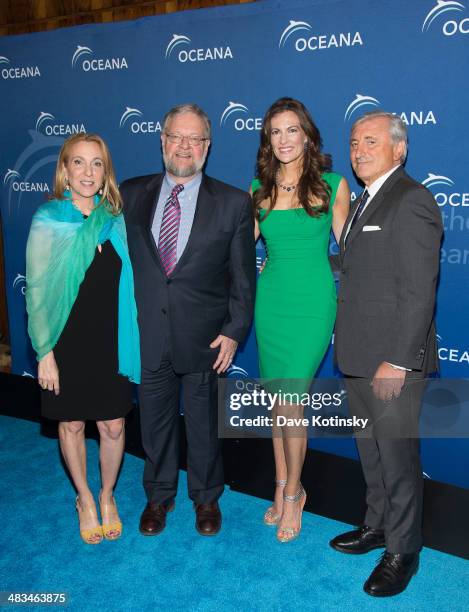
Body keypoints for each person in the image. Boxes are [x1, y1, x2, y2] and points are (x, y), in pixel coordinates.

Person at [120, 103, 256, 537]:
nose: (185, 147)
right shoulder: (130, 193)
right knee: (154, 424)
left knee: (203, 426)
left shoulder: (234, 203)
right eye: (176, 137)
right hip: (149, 334)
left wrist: (234, 332)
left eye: (195, 139)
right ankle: (158, 498)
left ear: (208, 147)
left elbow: (242, 278)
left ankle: (206, 499)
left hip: (206, 339)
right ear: (162, 141)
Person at [330, 111, 443, 597]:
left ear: (400, 149)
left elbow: (420, 292)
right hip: (357, 354)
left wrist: (398, 360)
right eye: (354, 142)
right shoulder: (362, 202)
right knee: (371, 453)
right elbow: (362, 271)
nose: (359, 150)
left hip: (392, 361)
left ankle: (404, 549)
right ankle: (377, 525)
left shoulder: (412, 199)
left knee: (397, 458)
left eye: (371, 141)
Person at [26, 133, 140, 545]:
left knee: (112, 425)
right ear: (65, 170)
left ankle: (108, 495)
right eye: (79, 162)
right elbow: (37, 293)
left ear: (105, 171)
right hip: (65, 343)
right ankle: (85, 498)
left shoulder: (115, 220)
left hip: (110, 342)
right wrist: (45, 353)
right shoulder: (49, 220)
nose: (88, 172)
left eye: (97, 164)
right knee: (71, 423)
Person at [251, 98, 350, 542]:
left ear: (307, 136)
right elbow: (234, 250)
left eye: (292, 130)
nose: (284, 139)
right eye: (276, 132)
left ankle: (295, 494)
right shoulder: (259, 189)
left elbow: (351, 250)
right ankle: (279, 486)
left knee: (292, 400)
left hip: (312, 303)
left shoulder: (332, 185)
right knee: (279, 402)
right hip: (271, 302)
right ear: (267, 140)